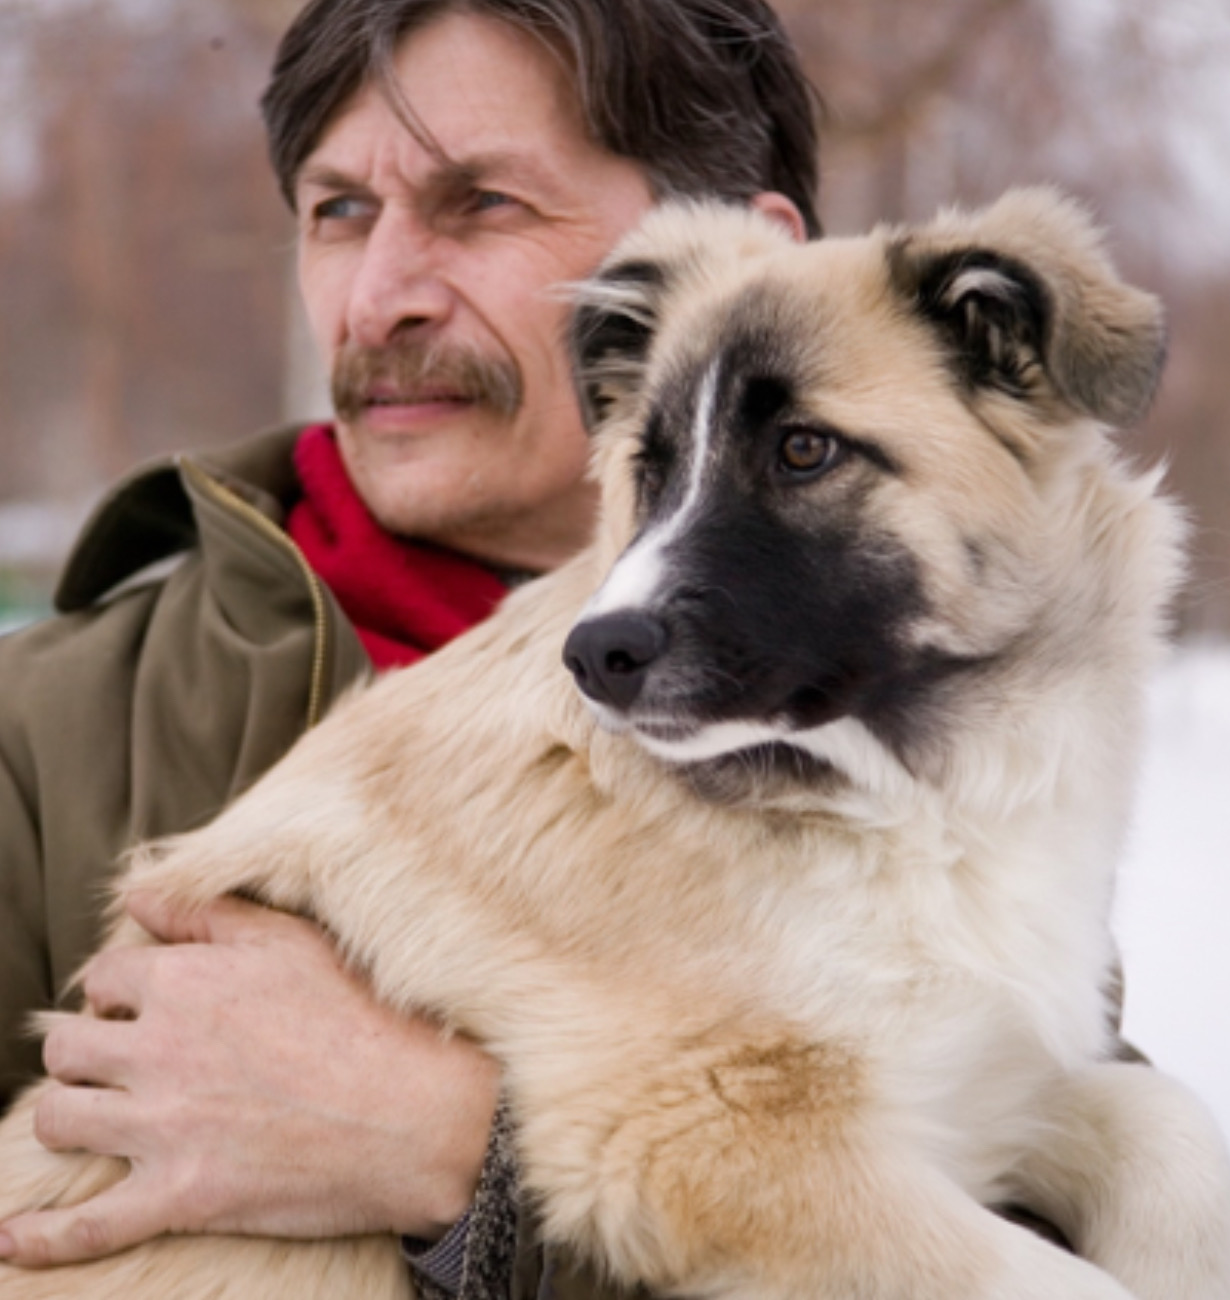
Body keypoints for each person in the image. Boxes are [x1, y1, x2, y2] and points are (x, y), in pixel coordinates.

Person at [0, 2, 819, 1295]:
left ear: (741, 269)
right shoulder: (41, 739)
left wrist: (477, 1157)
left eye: (481, 202)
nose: (378, 298)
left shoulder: (896, 734)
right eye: (337, 211)